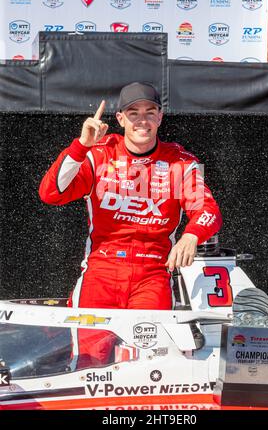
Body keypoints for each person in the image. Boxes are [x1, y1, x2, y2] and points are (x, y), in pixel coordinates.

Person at [39, 81, 222, 368]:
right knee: (89, 364)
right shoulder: (99, 153)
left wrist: (191, 236)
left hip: (152, 277)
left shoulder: (181, 161)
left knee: (150, 367)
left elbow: (208, 210)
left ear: (160, 117)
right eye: (133, 112)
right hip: (101, 274)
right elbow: (51, 194)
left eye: (150, 112)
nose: (142, 120)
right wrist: (80, 146)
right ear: (121, 118)